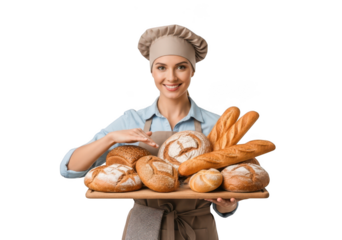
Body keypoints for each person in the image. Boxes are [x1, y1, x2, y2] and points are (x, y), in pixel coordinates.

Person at [59, 23, 239, 240]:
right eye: (161, 67)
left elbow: (226, 194)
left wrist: (228, 206)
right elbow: (69, 169)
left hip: (197, 227)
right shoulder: (130, 120)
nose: (171, 77)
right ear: (151, 71)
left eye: (181, 67)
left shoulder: (217, 124)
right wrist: (110, 138)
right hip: (144, 228)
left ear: (193, 69)